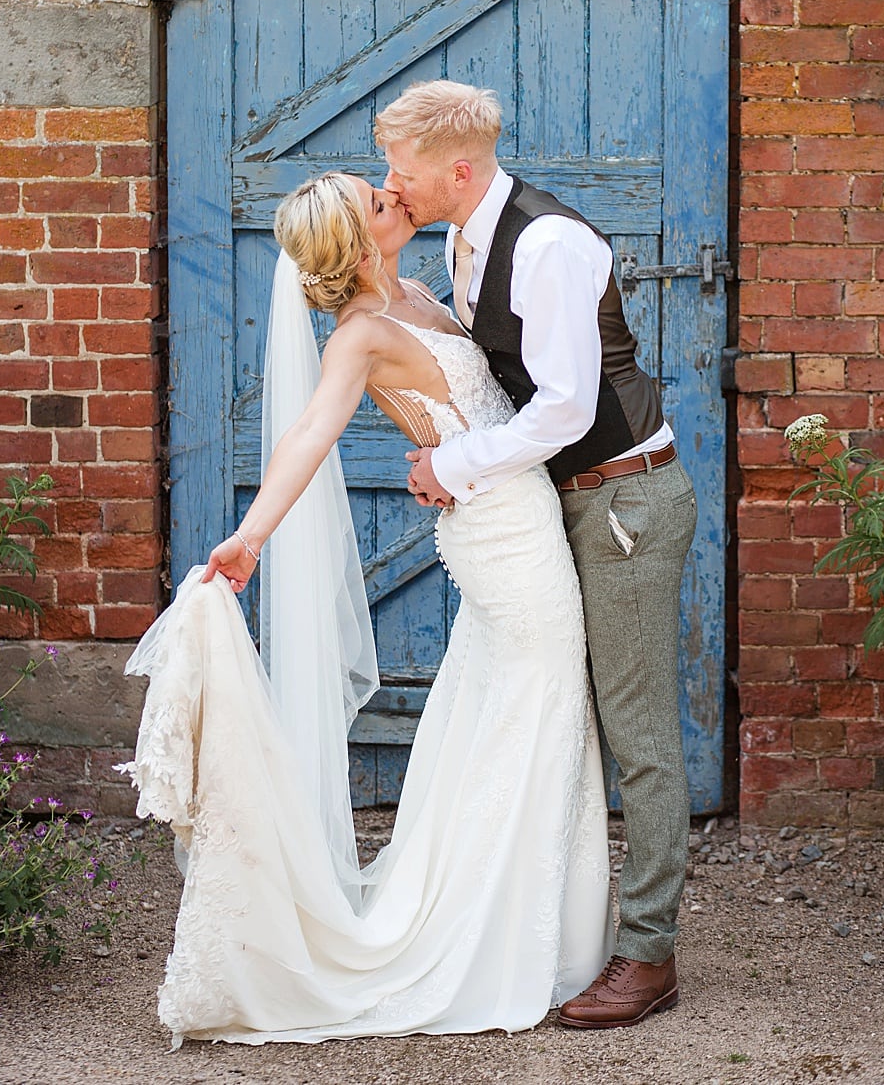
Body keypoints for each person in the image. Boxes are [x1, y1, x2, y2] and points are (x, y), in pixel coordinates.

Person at [120, 170, 612, 1047]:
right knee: (537, 703)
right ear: (356, 243)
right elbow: (309, 435)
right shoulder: (358, 337)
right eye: (376, 201)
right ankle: (504, 939)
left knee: (510, 708)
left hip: (511, 508)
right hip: (501, 536)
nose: (395, 196)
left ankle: (524, 917)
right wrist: (251, 537)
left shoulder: (421, 289)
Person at [378, 80, 698, 1030]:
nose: (390, 184)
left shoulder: (548, 243)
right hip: (568, 502)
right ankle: (561, 926)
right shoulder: (460, 237)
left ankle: (649, 958)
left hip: (625, 501)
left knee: (635, 732)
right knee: (570, 714)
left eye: (403, 171)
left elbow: (563, 404)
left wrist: (455, 464)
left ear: (459, 170)